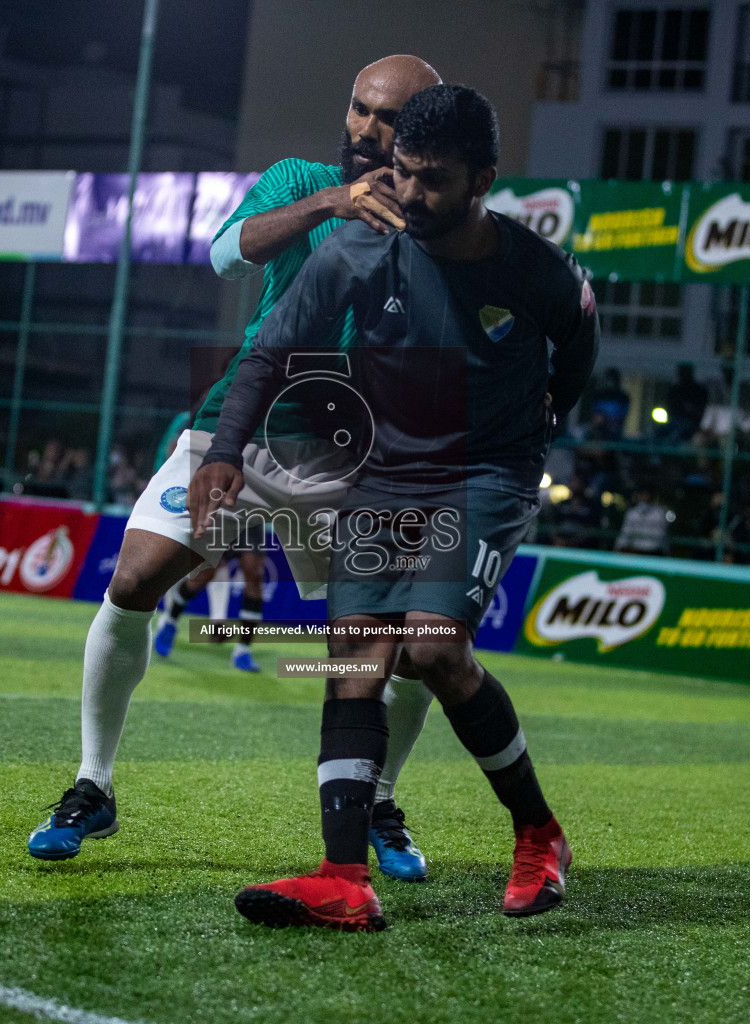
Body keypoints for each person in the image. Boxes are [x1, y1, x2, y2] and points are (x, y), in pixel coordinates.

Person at [26, 56, 446, 883]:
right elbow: (225, 254)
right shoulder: (297, 179)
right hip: (239, 426)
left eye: (387, 119)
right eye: (358, 108)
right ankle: (91, 785)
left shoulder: (441, 227)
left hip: (351, 459)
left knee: (408, 641)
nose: (364, 128)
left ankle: (381, 801)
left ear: (422, 134)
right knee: (134, 579)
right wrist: (331, 202)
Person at [189, 84, 598, 928]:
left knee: (434, 648)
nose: (410, 194)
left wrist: (550, 411)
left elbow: (582, 335)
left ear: (482, 179)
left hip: (487, 473)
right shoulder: (355, 250)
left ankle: (538, 834)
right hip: (390, 475)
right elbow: (268, 353)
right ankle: (343, 878)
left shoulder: (533, 267)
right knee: (354, 663)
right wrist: (225, 452)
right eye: (404, 173)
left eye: (434, 180)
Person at [148, 411, 268, 673]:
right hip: (222, 497)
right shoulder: (218, 408)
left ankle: (243, 650)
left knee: (255, 572)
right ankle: (171, 618)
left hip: (252, 502)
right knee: (206, 572)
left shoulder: (276, 411)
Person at [614, 485, 671, 556]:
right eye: (642, 494)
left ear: (651, 496)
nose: (645, 497)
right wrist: (618, 548)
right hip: (635, 553)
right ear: (638, 496)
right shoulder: (631, 513)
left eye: (647, 494)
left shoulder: (660, 513)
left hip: (655, 553)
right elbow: (625, 533)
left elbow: (661, 537)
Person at [665, 362, 707, 442]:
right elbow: (670, 407)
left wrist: (690, 409)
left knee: (674, 437)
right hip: (674, 421)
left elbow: (700, 411)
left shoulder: (698, 390)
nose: (681, 374)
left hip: (691, 424)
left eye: (684, 371)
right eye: (680, 371)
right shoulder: (674, 390)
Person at [585, 367, 629, 440]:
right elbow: (595, 413)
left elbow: (622, 414)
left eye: (612, 380)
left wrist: (612, 422)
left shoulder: (622, 398)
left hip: (614, 431)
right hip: (598, 432)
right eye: (608, 380)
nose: (610, 383)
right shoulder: (598, 396)